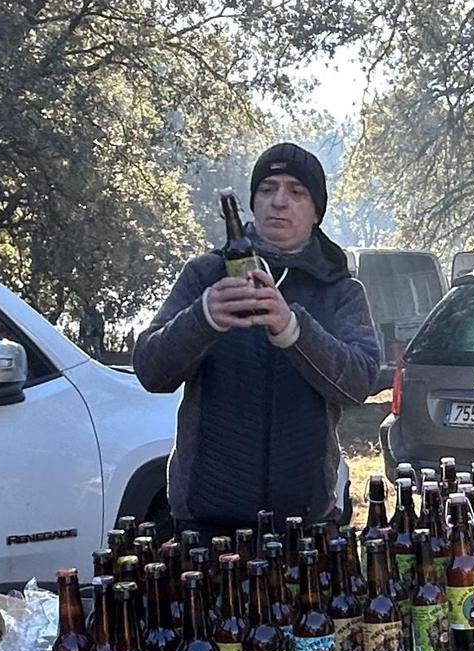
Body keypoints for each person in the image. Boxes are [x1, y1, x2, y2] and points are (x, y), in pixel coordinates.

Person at [132, 142, 379, 539]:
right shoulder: (206, 275)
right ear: (250, 203)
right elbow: (150, 370)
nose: (279, 201)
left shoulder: (340, 290)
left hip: (305, 522)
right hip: (205, 522)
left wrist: (293, 328)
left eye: (296, 192)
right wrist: (204, 317)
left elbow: (360, 383)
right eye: (267, 189)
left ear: (316, 211)